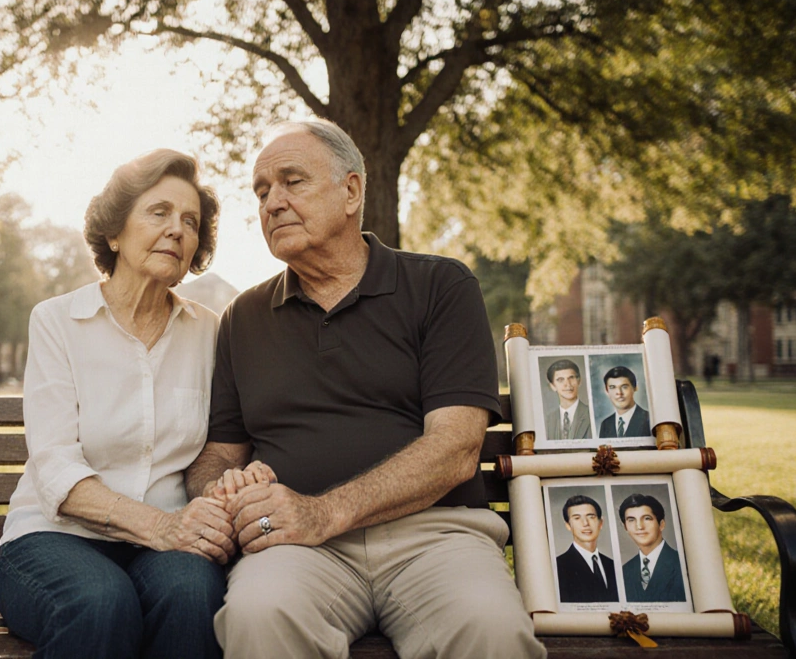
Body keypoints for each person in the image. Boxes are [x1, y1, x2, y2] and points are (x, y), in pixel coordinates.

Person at [186, 119, 544, 658]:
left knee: (490, 629)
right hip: (298, 551)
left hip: (435, 537)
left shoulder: (440, 286)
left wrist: (325, 512)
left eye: (292, 181)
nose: (272, 202)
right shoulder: (244, 316)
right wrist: (225, 488)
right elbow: (217, 453)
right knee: (259, 615)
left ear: (350, 190)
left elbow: (456, 448)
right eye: (262, 191)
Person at [0, 150, 231, 659]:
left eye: (190, 221)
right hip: (54, 535)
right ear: (115, 233)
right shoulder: (57, 320)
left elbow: (226, 443)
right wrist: (160, 527)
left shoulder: (210, 332)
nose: (176, 230)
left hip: (166, 545)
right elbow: (54, 463)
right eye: (158, 212)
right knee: (100, 601)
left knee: (195, 595)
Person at [619, 494, 686, 603]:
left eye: (647, 518)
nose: (639, 526)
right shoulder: (624, 571)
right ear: (625, 527)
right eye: (631, 520)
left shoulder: (683, 563)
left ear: (661, 524)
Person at [555, 495, 619, 603]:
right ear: (568, 525)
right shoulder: (558, 566)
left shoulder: (613, 565)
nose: (585, 524)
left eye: (591, 517)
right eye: (577, 518)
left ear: (601, 523)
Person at [543, 359, 592, 440]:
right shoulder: (548, 420)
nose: (568, 384)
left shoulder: (590, 414)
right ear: (553, 386)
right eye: (560, 380)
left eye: (571, 378)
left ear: (579, 381)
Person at [597, 366, 651, 439]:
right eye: (612, 387)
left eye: (624, 387)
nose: (619, 393)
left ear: (635, 388)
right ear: (607, 391)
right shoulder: (606, 424)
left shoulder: (649, 419)